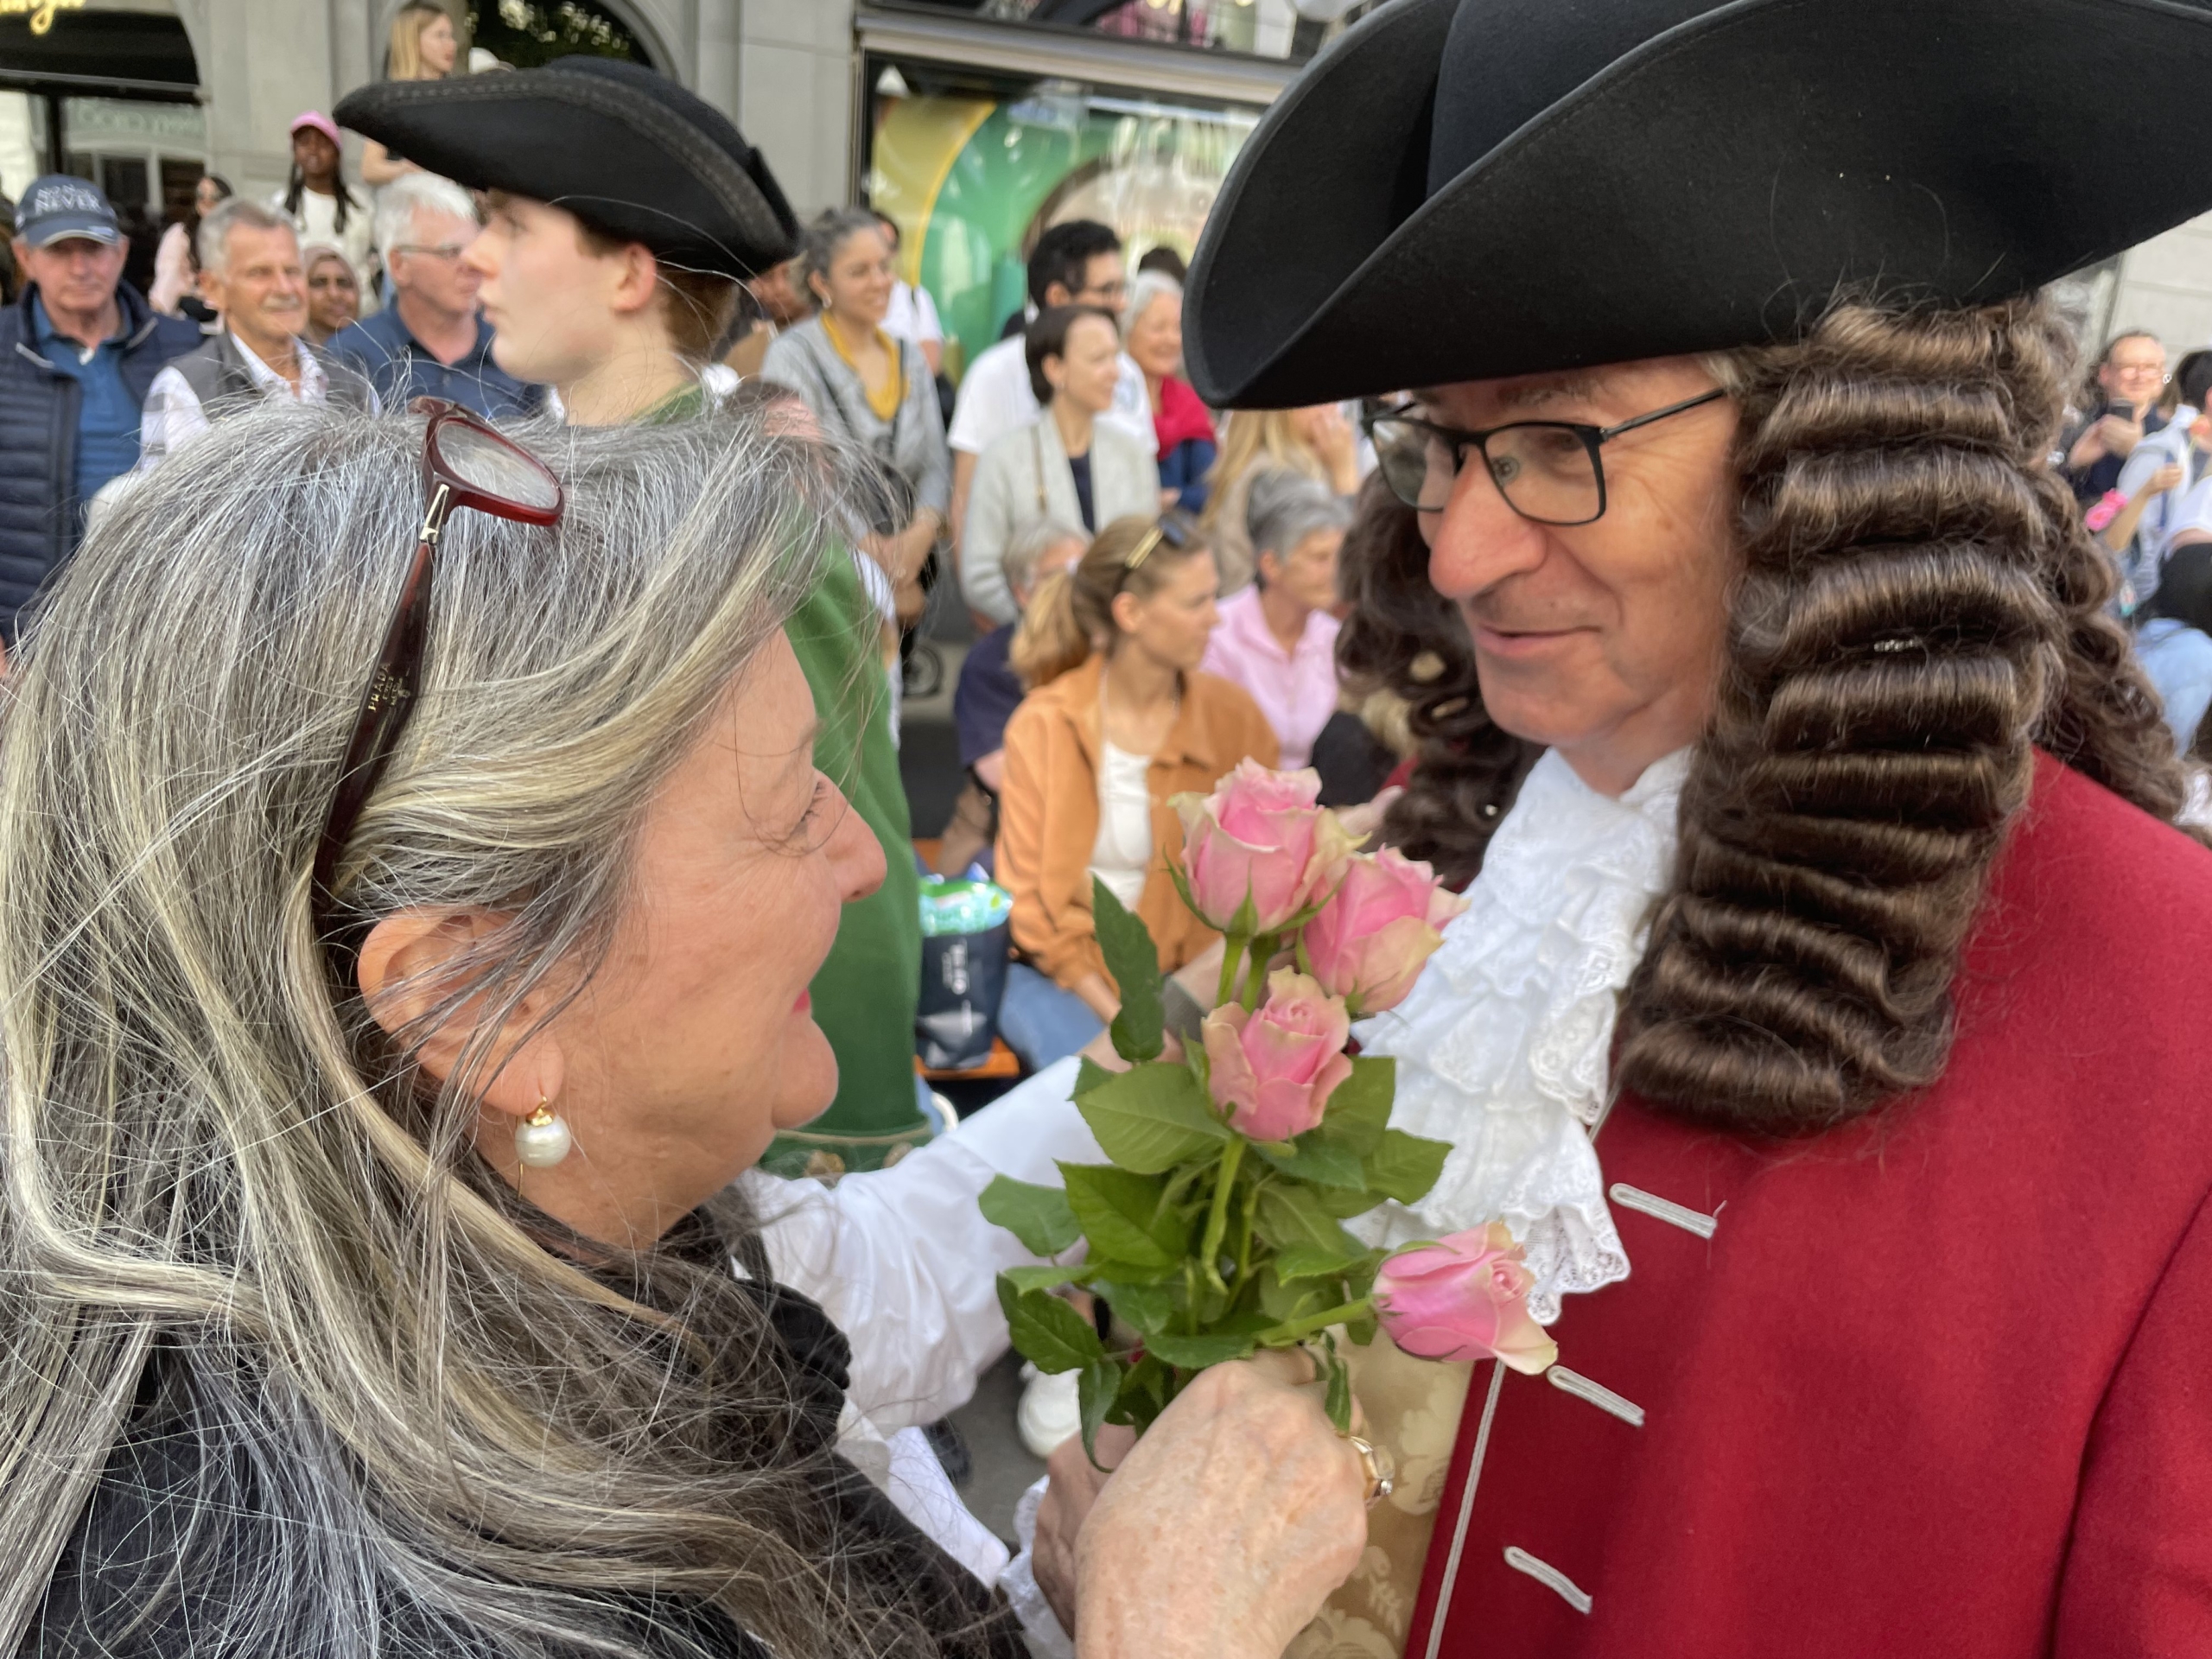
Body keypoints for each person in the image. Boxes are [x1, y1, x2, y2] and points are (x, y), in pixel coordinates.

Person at [1119, 0, 2212, 1652]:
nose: (1460, 550)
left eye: (1558, 441)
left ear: (1837, 450)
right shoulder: (1443, 856)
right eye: (1444, 443)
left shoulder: (2175, 1018)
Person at [0, 399, 1370, 1659]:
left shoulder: (535, 1262)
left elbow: (878, 1270)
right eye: (789, 803)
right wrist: (1170, 1634)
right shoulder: (400, 1611)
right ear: (477, 997)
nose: (863, 858)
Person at [337, 58, 930, 1179]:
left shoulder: (733, 521)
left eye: (511, 224)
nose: (475, 257)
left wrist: (827, 1115)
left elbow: (834, 813)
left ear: (627, 273)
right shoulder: (588, 488)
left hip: (735, 1094)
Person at [995, 512, 1276, 1070]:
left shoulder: (1236, 721)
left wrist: (1182, 1009)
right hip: (1071, 981)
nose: (1215, 617)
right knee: (1094, 1088)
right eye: (1196, 602)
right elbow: (1030, 909)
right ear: (1130, 613)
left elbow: (1267, 884)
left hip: (1200, 985)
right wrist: (1127, 1023)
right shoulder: (1043, 725)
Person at [0, 175, 198, 640]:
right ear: (25, 258)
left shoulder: (183, 345)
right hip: (31, 633)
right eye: (59, 251)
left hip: (160, 626)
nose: (81, 267)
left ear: (122, 253)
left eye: (94, 248)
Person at [763, 208, 950, 635]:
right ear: (821, 283)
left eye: (884, 267)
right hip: (824, 574)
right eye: (859, 271)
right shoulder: (792, 356)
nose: (880, 282)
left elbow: (935, 462)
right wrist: (869, 548)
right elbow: (798, 469)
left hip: (909, 570)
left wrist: (918, 538)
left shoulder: (909, 356)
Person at [946, 219, 1155, 539]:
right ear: (1058, 296)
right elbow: (966, 506)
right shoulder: (993, 375)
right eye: (1107, 290)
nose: (1122, 303)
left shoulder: (1126, 372)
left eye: (1122, 288)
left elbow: (1145, 492)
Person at [136, 200, 373, 474]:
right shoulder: (185, 391)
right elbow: (174, 501)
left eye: (292, 271)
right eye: (260, 273)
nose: (285, 288)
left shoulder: (350, 383)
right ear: (213, 288)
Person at [962, 304, 1161, 626]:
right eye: (1098, 359)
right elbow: (980, 576)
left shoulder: (1132, 454)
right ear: (1055, 369)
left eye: (1115, 357)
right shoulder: (1003, 458)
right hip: (1034, 640)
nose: (1115, 372)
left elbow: (1149, 555)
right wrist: (1045, 627)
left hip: (1119, 635)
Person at [325, 172, 542, 420]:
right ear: (399, 265)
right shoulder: (353, 356)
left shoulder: (514, 351)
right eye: (451, 252)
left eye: (476, 249)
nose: (474, 264)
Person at [941, 516, 1087, 874]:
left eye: (1083, 571)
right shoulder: (990, 661)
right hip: (997, 831)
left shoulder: (1105, 648)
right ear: (1022, 592)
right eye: (1060, 575)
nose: (1076, 587)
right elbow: (1002, 774)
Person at [1200, 467, 1351, 769]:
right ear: (1270, 565)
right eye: (1320, 558)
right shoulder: (1218, 633)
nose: (1335, 572)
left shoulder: (1335, 638)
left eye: (1339, 557)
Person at [1202, 404, 1362, 593]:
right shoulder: (1278, 480)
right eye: (1316, 396)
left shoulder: (1258, 466)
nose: (1332, 406)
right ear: (1279, 410)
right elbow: (1351, 562)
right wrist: (1345, 474)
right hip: (1270, 606)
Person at [1124, 270, 1216, 513]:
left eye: (1177, 328)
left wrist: (1175, 499)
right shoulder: (1112, 404)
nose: (1172, 339)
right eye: (1158, 328)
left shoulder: (1188, 402)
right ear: (1126, 330)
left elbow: (1212, 489)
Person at [272, 111, 378, 313]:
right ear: (294, 152)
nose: (313, 150)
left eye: (322, 143)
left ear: (337, 152)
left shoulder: (362, 204)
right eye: (304, 143)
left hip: (359, 313)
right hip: (303, 312)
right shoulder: (278, 207)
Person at [2059, 327, 2170, 505]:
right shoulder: (2073, 425)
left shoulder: (2172, 435)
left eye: (2151, 367)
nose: (2140, 376)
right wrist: (2074, 465)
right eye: (2129, 366)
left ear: (2161, 376)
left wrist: (2137, 452)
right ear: (2105, 374)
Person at [359, 1, 458, 188]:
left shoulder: (457, 96)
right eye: (440, 35)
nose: (451, 44)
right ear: (413, 39)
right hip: (410, 197)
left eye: (451, 36)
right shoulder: (390, 100)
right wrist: (405, 169)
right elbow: (369, 168)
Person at [874, 209, 945, 377]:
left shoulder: (915, 297)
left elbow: (930, 363)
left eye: (890, 246)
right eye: (877, 243)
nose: (884, 254)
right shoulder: (838, 298)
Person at [149, 171, 230, 316]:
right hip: (191, 317)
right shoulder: (181, 235)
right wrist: (158, 317)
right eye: (201, 195)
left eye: (215, 197)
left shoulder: (236, 236)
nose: (206, 201)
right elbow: (169, 278)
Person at [723, 253, 807, 378]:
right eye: (767, 277)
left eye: (789, 275)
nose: (779, 288)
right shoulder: (742, 357)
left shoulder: (834, 338)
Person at [301, 245, 362, 344]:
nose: (334, 294)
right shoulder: (285, 352)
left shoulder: (379, 349)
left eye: (343, 283)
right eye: (319, 283)